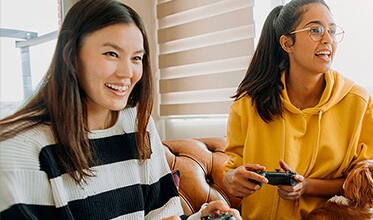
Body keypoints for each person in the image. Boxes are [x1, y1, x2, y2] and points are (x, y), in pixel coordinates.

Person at [0, 0, 241, 219]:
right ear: (72, 55)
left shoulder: (139, 126)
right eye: (112, 54)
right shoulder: (18, 149)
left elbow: (160, 216)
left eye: (137, 58)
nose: (127, 73)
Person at [221, 0, 373, 219]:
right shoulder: (247, 104)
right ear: (287, 43)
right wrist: (233, 179)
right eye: (315, 30)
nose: (327, 39)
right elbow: (231, 171)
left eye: (331, 30)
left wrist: (308, 186)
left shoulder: (360, 102)